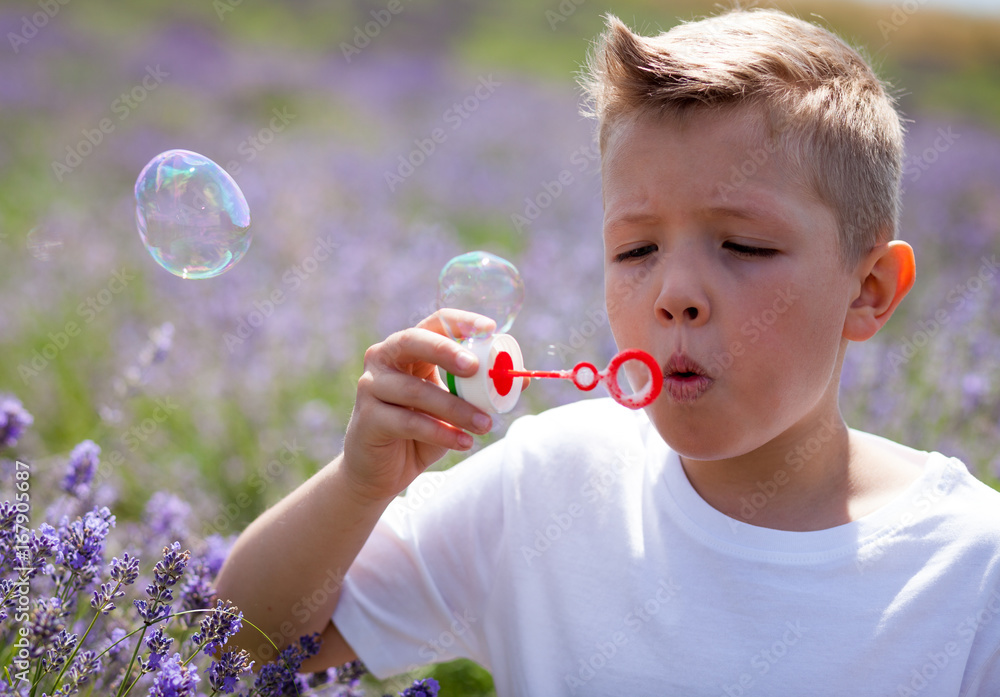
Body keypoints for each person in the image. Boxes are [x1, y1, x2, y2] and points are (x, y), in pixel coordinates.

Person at [215, 7, 1000, 695]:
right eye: (636, 251)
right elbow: (243, 647)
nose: (675, 291)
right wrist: (359, 484)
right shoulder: (548, 485)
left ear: (868, 288)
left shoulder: (970, 571)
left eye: (743, 244)